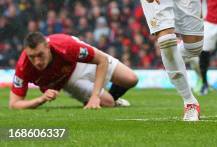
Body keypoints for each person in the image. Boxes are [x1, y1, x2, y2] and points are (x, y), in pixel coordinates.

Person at [9, 32, 137, 110]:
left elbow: (101, 60)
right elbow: (14, 104)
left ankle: (101, 99)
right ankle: (108, 101)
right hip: (69, 80)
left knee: (131, 79)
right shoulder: (23, 66)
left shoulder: (66, 46)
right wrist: (40, 99)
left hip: (80, 61)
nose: (37, 61)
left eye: (40, 55)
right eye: (32, 57)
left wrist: (94, 96)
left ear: (48, 47)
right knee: (108, 103)